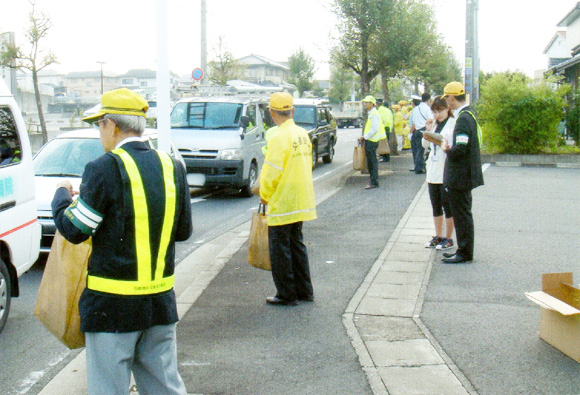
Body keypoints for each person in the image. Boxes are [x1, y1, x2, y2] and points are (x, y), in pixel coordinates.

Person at [52, 88, 192, 394]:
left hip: (111, 309)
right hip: (159, 303)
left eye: (98, 125)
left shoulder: (103, 168)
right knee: (164, 385)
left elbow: (75, 229)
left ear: (110, 125)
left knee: (109, 388)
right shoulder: (172, 166)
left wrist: (62, 196)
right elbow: (183, 232)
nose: (99, 132)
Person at [260, 92, 317, 306]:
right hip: (302, 199)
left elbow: (271, 172)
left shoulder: (278, 137)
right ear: (292, 111)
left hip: (283, 200)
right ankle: (305, 290)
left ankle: (286, 293)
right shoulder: (302, 134)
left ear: (272, 113)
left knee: (280, 249)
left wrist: (265, 196)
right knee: (296, 245)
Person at [440, 81, 484, 264]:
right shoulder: (469, 114)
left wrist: (447, 150)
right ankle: (464, 249)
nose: (446, 102)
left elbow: (460, 149)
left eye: (447, 98)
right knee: (463, 213)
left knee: (462, 214)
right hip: (465, 174)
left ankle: (464, 252)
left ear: (451, 97)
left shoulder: (463, 118)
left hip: (460, 175)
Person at [422, 96, 456, 251]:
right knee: (435, 205)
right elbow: (426, 146)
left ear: (447, 108)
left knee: (448, 206)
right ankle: (438, 236)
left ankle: (448, 238)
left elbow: (449, 144)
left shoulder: (453, 124)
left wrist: (439, 140)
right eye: (435, 111)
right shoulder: (434, 124)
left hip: (445, 169)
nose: (438, 114)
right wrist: (428, 131)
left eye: (441, 110)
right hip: (433, 170)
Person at [359, 95, 386, 189]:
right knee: (371, 161)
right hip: (371, 140)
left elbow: (374, 129)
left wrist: (364, 137)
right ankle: (373, 181)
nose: (365, 104)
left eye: (367, 102)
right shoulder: (372, 113)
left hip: (371, 140)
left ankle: (373, 182)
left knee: (372, 162)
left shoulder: (374, 114)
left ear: (372, 104)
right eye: (364, 102)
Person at [409, 93, 433, 174]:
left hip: (416, 130)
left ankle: (417, 165)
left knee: (416, 149)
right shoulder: (427, 108)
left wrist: (410, 132)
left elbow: (414, 122)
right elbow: (430, 119)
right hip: (423, 129)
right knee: (421, 149)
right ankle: (419, 167)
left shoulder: (415, 109)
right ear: (428, 100)